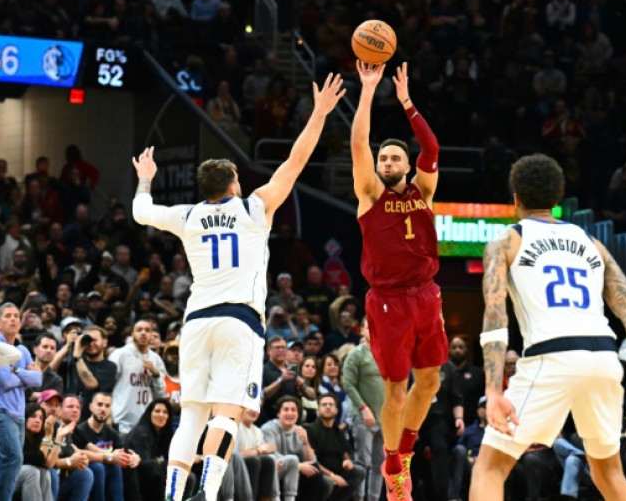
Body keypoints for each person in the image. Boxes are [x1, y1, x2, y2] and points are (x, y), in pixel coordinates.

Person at [132, 74, 345, 501]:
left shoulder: (188, 215)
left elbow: (141, 211)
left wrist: (146, 177)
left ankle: (175, 496)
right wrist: (320, 113)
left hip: (194, 323)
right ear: (233, 185)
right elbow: (295, 163)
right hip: (238, 321)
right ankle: (208, 494)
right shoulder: (253, 208)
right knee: (227, 416)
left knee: (190, 416)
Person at [469, 154, 626, 501]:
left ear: (516, 198)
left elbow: (495, 317)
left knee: (489, 468)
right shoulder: (593, 244)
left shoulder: (506, 241)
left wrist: (494, 390)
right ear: (557, 199)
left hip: (552, 356)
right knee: (609, 473)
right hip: (604, 359)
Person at [351, 60, 447, 501]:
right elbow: (358, 146)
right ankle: (393, 465)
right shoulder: (370, 195)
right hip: (387, 300)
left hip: (426, 295)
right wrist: (368, 90)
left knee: (430, 381)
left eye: (395, 157)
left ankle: (404, 451)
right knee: (395, 389)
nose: (387, 161)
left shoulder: (423, 192)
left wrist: (407, 102)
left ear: (407, 167)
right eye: (383, 157)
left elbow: (431, 147)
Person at [0, 302, 43, 501]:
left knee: (11, 461)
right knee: (14, 458)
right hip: (2, 411)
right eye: (7, 315)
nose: (13, 319)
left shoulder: (23, 350)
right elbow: (6, 381)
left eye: (16, 316)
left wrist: (15, 371)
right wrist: (24, 375)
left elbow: (38, 379)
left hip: (18, 414)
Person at [342, 318, 385, 501]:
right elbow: (348, 384)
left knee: (379, 464)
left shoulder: (385, 353)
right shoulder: (356, 354)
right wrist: (363, 408)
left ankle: (373, 499)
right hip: (363, 416)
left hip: (383, 417)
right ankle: (358, 499)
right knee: (362, 462)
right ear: (362, 330)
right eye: (369, 327)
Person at [74, 392, 140, 501]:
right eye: (99, 405)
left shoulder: (111, 432)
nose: (103, 409)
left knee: (125, 465)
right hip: (87, 469)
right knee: (102, 467)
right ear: (91, 407)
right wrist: (111, 457)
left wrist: (135, 457)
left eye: (107, 406)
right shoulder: (80, 430)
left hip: (107, 471)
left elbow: (123, 451)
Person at [109, 320, 167, 433]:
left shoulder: (156, 359)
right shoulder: (120, 354)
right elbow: (107, 386)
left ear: (151, 335)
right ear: (132, 334)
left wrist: (155, 373)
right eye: (139, 330)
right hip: (121, 421)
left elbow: (161, 394)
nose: (143, 333)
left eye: (147, 330)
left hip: (146, 423)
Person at [306, 393, 366, 501]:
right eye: (324, 405)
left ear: (337, 411)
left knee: (359, 472)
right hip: (320, 472)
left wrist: (348, 462)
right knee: (327, 481)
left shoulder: (338, 431)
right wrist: (332, 476)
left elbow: (346, 454)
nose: (328, 407)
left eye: (331, 404)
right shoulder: (310, 429)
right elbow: (312, 461)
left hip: (338, 470)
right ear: (318, 410)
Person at [124, 399, 174, 501]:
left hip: (151, 473)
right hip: (135, 474)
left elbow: (168, 458)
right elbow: (146, 463)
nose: (161, 415)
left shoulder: (165, 433)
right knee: (156, 469)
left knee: (186, 476)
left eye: (165, 412)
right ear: (149, 413)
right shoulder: (142, 432)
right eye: (157, 411)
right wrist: (164, 463)